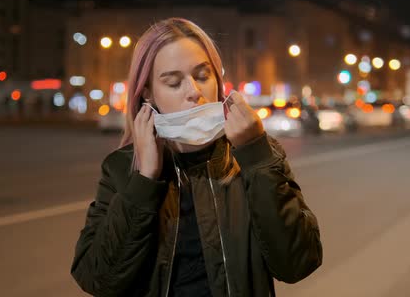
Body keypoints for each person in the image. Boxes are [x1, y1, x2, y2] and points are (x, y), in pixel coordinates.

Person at [71, 17, 322, 297]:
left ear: (218, 81)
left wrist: (257, 156)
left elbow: (298, 264)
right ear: (148, 94)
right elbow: (98, 279)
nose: (193, 92)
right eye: (174, 82)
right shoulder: (121, 168)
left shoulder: (254, 155)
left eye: (203, 76)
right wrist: (144, 180)